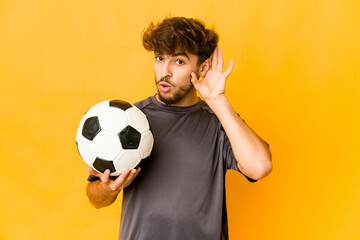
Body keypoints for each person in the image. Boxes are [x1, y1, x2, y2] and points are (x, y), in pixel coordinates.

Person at [86, 17, 272, 240]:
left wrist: (218, 100)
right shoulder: (128, 120)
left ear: (202, 67)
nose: (164, 71)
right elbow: (95, 197)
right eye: (159, 58)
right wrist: (109, 188)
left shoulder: (218, 122)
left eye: (179, 62)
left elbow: (260, 166)